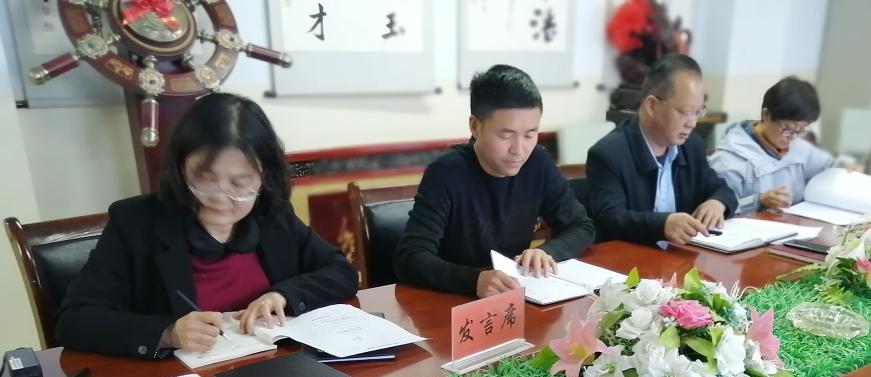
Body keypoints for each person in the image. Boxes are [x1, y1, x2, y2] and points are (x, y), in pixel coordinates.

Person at [56, 93, 358, 359]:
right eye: (204, 179)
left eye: (239, 184)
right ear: (180, 168)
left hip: (274, 370)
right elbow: (75, 321)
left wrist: (283, 295)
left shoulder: (272, 215)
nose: (220, 198)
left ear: (264, 179)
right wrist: (169, 333)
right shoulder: (135, 223)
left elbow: (341, 272)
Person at [393, 64, 594, 297]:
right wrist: (473, 281)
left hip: (514, 296)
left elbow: (582, 227)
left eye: (530, 134)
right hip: (453, 301)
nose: (519, 149)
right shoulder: (446, 173)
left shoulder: (537, 163)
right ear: (475, 126)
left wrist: (548, 252)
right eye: (506, 135)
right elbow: (410, 258)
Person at [586, 54, 737, 247]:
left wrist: (717, 202)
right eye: (685, 112)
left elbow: (721, 188)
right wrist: (662, 224)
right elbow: (611, 220)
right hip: (630, 259)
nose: (692, 123)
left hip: (682, 257)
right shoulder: (609, 154)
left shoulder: (692, 146)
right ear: (652, 105)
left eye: (698, 112)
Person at [710, 77, 846, 214]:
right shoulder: (729, 159)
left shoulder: (798, 146)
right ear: (766, 114)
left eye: (800, 130)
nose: (792, 137)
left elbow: (830, 165)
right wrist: (758, 201)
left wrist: (845, 165)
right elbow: (716, 208)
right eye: (787, 128)